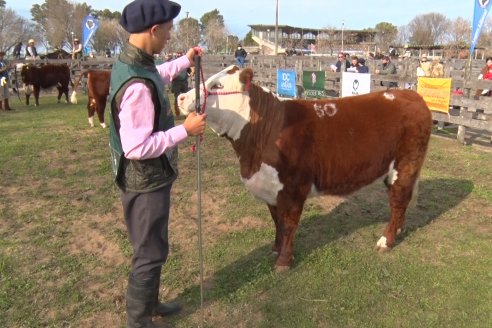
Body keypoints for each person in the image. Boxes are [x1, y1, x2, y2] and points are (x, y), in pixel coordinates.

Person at [108, 0, 207, 326]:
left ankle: (151, 304)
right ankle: (139, 320)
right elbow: (136, 147)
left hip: (147, 179)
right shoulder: (136, 85)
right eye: (167, 30)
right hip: (145, 180)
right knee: (149, 252)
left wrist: (184, 61)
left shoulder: (134, 63)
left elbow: (156, 75)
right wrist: (184, 130)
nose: (169, 35)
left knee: (153, 246)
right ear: (153, 30)